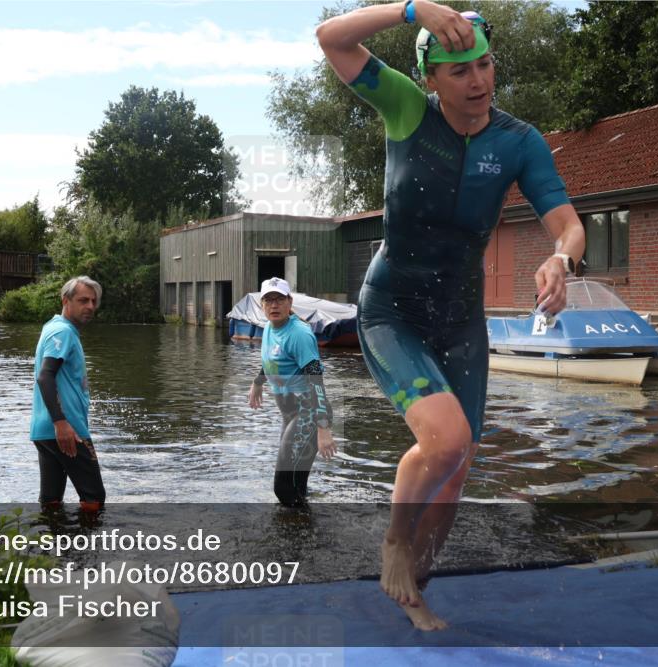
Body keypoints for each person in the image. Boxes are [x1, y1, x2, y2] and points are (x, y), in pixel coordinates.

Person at [317, 1, 585, 630]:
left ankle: (415, 592)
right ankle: (394, 542)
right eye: (460, 70)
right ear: (431, 78)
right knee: (447, 440)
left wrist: (560, 261)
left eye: (485, 64)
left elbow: (568, 225)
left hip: (460, 316)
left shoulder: (519, 142)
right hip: (393, 309)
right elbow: (330, 38)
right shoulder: (407, 109)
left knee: (457, 472)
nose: (478, 80)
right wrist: (413, 8)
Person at [247, 277, 337, 506]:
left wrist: (323, 428)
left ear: (290, 301)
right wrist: (258, 382)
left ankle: (300, 525)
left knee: (283, 488)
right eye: (269, 300)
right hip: (291, 415)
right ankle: (303, 525)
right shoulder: (270, 327)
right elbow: (273, 361)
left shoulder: (298, 334)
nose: (274, 305)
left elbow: (316, 380)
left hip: (309, 414)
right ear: (261, 305)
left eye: (279, 299)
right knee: (295, 484)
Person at [30, 276, 106, 511]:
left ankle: (52, 534)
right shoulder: (63, 332)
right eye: (83, 300)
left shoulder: (53, 327)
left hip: (44, 431)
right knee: (94, 498)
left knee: (51, 500)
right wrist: (61, 423)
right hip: (68, 431)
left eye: (93, 301)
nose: (90, 306)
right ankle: (91, 537)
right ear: (66, 300)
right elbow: (45, 376)